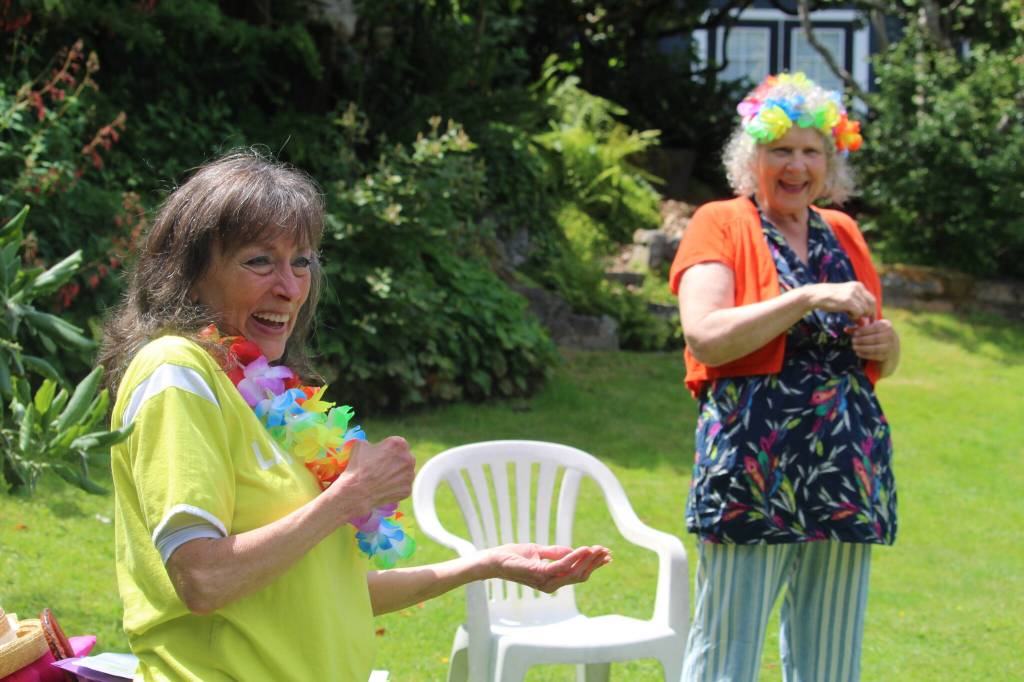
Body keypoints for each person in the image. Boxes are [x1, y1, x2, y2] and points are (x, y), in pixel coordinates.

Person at [98, 150, 611, 682]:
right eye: (259, 261)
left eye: (301, 261)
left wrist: (487, 564)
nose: (291, 287)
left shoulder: (270, 401)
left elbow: (323, 592)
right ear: (191, 272)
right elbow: (202, 578)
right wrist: (349, 497)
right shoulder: (176, 372)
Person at [668, 72, 899, 682]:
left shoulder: (842, 231)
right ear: (753, 158)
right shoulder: (719, 222)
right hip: (753, 464)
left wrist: (888, 343)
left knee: (831, 655)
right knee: (725, 650)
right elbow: (706, 335)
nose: (797, 166)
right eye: (781, 150)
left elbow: (874, 352)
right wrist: (804, 298)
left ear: (829, 162)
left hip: (845, 466)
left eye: (811, 151)